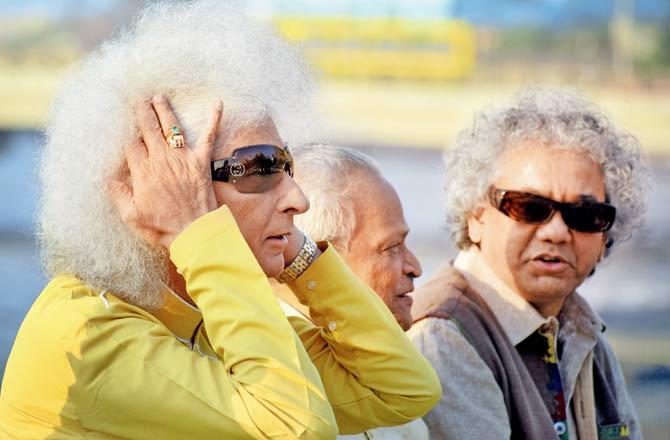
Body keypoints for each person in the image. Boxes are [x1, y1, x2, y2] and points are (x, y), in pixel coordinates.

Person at [0, 2, 440, 438]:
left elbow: (401, 391)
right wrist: (200, 234)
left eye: (286, 165)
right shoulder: (88, 333)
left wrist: (298, 254)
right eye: (259, 166)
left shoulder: (204, 310)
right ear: (159, 190)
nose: (300, 199)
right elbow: (298, 427)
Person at [409, 88, 648, 440]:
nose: (556, 232)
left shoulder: (581, 332)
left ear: (604, 238)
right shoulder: (443, 336)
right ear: (476, 217)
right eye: (529, 207)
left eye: (584, 215)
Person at [273, 144, 429, 439]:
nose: (415, 267)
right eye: (391, 247)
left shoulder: (390, 363)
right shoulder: (270, 365)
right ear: (320, 253)